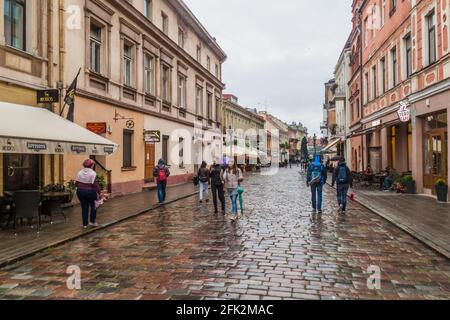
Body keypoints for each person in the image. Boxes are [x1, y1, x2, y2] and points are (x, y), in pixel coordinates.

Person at [76, 159, 101, 229]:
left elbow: (77, 183)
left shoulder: (79, 172)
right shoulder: (93, 173)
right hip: (90, 191)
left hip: (80, 191)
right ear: (91, 165)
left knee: (84, 207)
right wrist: (99, 192)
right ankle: (92, 221)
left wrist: (79, 188)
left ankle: (84, 224)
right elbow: (95, 184)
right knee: (93, 206)